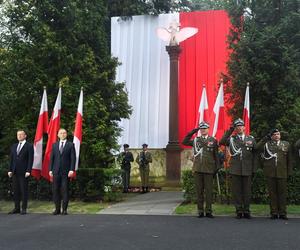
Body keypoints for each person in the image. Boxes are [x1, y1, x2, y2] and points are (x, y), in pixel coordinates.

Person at [220, 118, 256, 219]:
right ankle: (239, 210)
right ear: (235, 128)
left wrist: (254, 168)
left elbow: (254, 154)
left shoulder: (251, 139)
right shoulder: (232, 139)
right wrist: (230, 130)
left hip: (247, 169)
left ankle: (246, 210)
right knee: (237, 191)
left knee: (247, 191)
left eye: (241, 126)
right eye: (237, 126)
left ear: (244, 127)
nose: (239, 128)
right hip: (235, 169)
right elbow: (222, 141)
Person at [182, 122, 220, 218]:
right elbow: (184, 141)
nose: (203, 130)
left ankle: (208, 211)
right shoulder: (196, 140)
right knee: (199, 191)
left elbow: (216, 155)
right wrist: (193, 131)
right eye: (201, 128)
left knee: (208, 191)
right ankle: (200, 211)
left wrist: (217, 168)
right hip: (198, 169)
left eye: (205, 128)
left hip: (209, 169)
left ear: (208, 129)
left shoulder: (213, 140)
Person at [257, 129, 292, 220]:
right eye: (275, 134)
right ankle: (274, 212)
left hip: (282, 172)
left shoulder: (286, 144)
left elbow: (289, 160)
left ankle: (283, 213)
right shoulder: (267, 144)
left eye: (278, 134)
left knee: (282, 194)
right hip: (270, 173)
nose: (277, 135)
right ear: (272, 136)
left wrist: (289, 172)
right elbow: (257, 148)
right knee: (272, 194)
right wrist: (266, 138)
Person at [49, 128, 75, 215]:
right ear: (58, 135)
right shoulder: (54, 145)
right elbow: (52, 158)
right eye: (61, 133)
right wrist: (50, 169)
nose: (62, 134)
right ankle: (57, 209)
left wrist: (71, 169)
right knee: (55, 190)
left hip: (66, 172)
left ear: (66, 134)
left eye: (64, 133)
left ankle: (64, 210)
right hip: (56, 171)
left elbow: (73, 158)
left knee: (65, 190)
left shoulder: (71, 145)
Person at [8, 130, 34, 215]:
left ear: (25, 136)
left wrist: (28, 170)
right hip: (15, 172)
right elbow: (11, 159)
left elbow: (30, 159)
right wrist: (10, 170)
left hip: (24, 172)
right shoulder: (14, 146)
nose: (19, 136)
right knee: (16, 191)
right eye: (18, 134)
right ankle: (16, 208)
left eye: (21, 134)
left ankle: (24, 208)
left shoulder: (29, 146)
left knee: (23, 190)